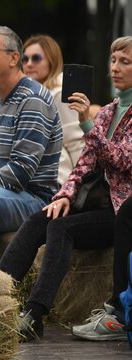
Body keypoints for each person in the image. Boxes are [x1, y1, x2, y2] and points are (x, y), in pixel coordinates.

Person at [0, 26, 63, 267]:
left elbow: (19, 174)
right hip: (1, 194)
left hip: (35, 199)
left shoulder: (33, 99)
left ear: (14, 58)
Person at [65, 36, 132, 342]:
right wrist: (65, 194)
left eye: (125, 62)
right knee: (51, 221)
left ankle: (119, 312)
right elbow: (85, 161)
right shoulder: (108, 110)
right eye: (113, 60)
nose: (114, 68)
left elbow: (121, 159)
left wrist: (87, 125)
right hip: (106, 201)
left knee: (127, 213)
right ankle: (23, 309)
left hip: (122, 204)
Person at [22, 35, 85, 184]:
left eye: (36, 58)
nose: (29, 64)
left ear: (51, 61)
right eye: (25, 59)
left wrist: (81, 184)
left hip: (58, 180)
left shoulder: (60, 93)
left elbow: (75, 142)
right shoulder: (25, 95)